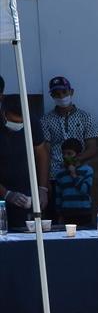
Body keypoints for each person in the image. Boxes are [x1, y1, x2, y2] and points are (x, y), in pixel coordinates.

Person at [0, 93, 49, 228]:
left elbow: (42, 154)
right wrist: (6, 194)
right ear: (4, 114)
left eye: (21, 122)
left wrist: (43, 189)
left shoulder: (32, 121)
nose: (18, 125)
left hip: (26, 189)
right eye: (14, 121)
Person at [41, 76, 98, 179]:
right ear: (52, 96)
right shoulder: (45, 120)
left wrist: (75, 161)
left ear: (71, 92)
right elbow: (45, 152)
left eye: (64, 92)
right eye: (57, 94)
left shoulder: (86, 117)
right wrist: (45, 182)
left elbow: (92, 148)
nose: (61, 96)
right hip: (55, 174)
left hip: (80, 173)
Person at [53, 138, 94, 226]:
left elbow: (85, 190)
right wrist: (59, 214)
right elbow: (58, 196)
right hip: (67, 213)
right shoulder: (60, 173)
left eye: (69, 154)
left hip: (83, 213)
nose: (66, 156)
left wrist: (74, 175)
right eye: (64, 154)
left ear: (78, 155)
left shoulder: (87, 171)